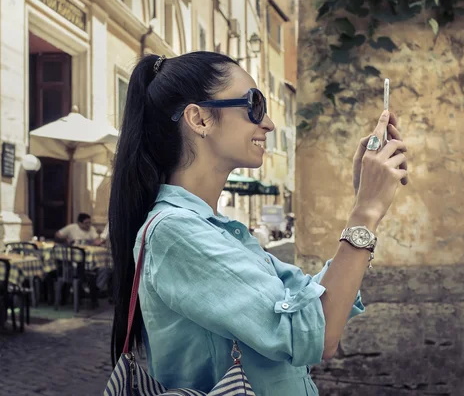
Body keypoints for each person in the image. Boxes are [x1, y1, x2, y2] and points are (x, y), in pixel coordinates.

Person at [108, 52, 408, 395]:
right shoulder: (175, 233)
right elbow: (314, 334)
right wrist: (365, 213)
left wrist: (363, 201)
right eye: (254, 104)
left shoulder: (214, 229)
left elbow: (313, 305)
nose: (268, 124)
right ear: (199, 119)